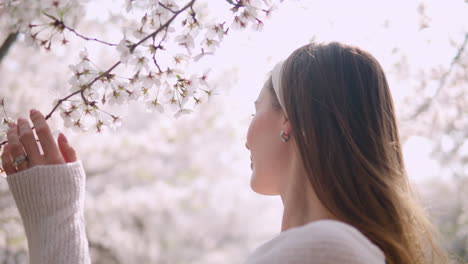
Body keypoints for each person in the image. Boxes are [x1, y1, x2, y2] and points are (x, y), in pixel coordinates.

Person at [1, 42, 448, 264]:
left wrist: (56, 217)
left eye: (258, 109)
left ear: (290, 119)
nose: (246, 136)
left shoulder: (325, 250)